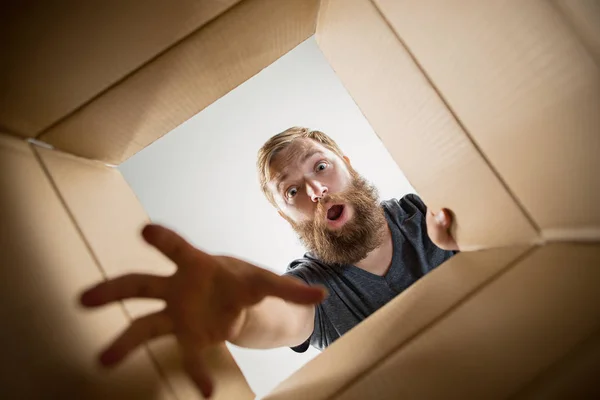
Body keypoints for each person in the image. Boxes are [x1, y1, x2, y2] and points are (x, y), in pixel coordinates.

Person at [80, 127, 459, 397]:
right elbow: (279, 314)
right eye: (292, 191)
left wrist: (465, 240)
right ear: (286, 217)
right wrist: (240, 313)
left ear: (349, 166)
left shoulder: (426, 208)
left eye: (320, 166)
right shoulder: (308, 288)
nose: (315, 191)